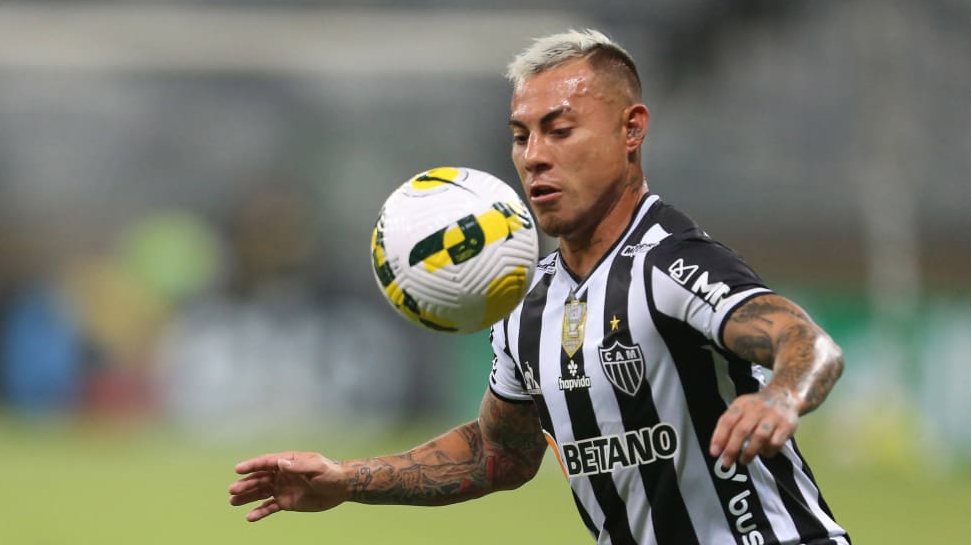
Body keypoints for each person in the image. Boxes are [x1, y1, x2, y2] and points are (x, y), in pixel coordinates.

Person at [228, 29, 850, 544]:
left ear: (631, 131)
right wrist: (347, 479)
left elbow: (806, 342)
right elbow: (496, 453)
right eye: (522, 135)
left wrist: (780, 397)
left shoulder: (669, 261)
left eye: (560, 130)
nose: (533, 157)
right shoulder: (525, 302)